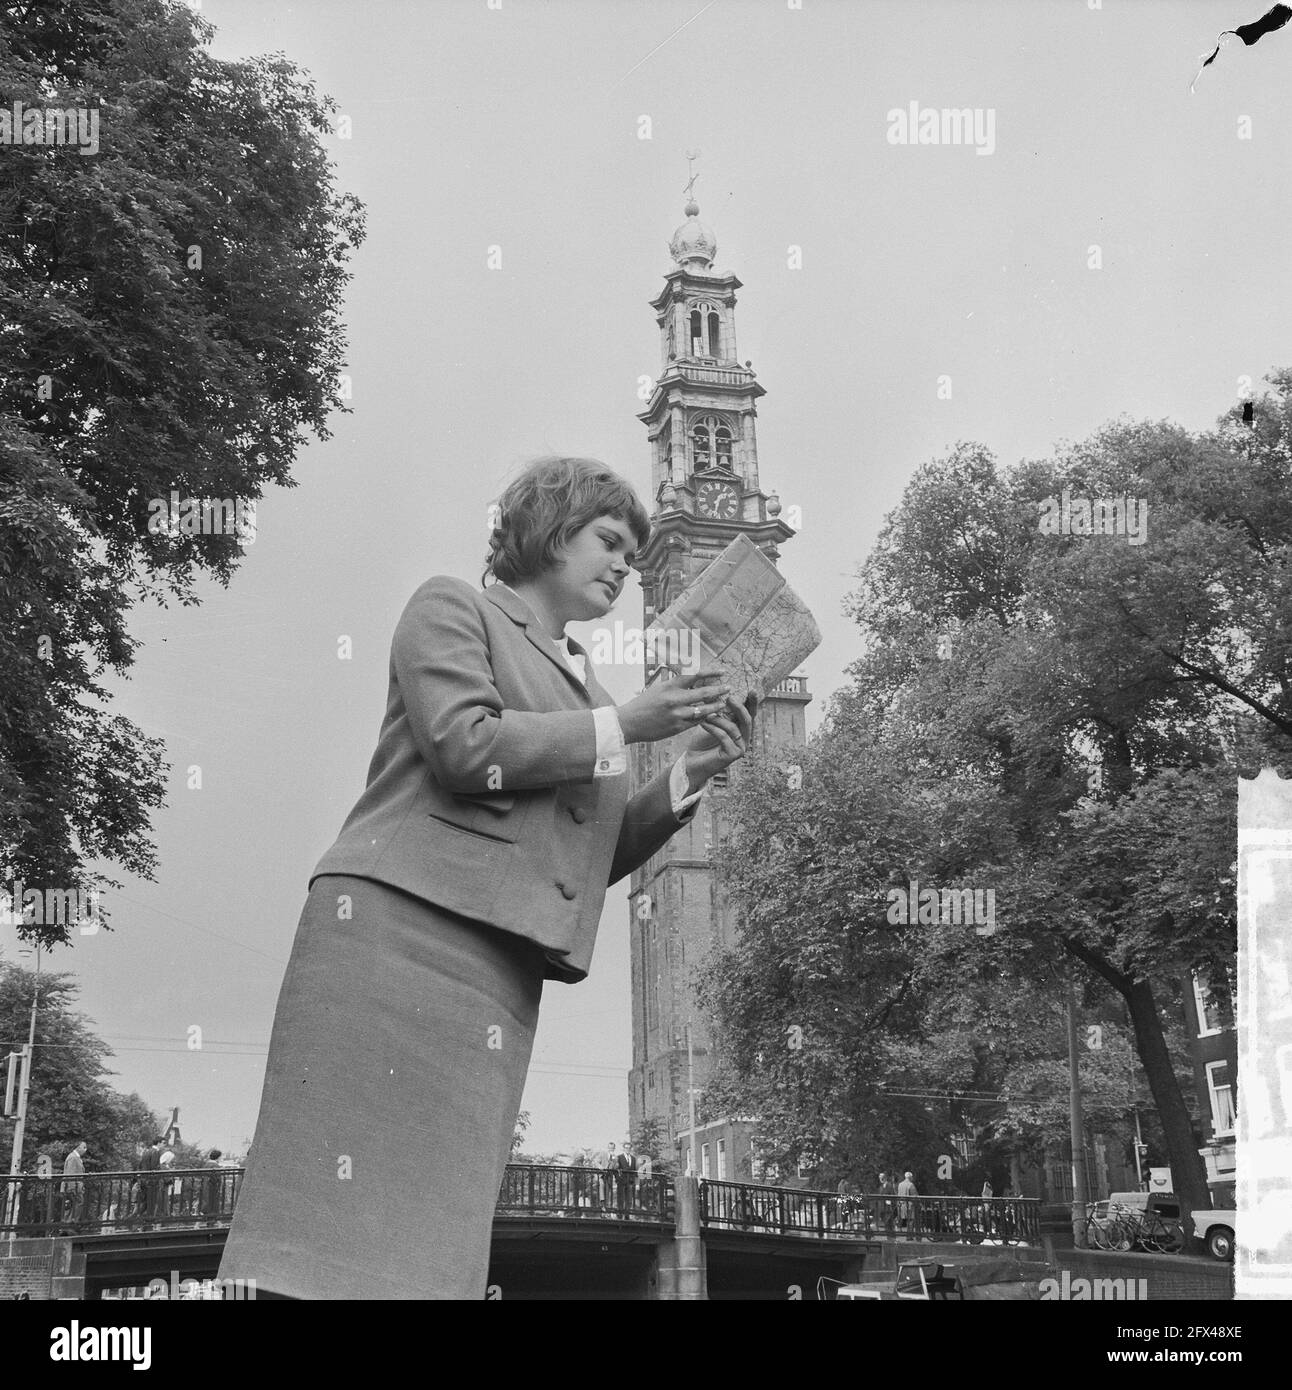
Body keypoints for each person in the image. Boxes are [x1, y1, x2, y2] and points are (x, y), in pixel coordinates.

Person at [217, 457, 752, 1299]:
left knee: (433, 1251)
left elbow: (579, 858)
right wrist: (622, 724)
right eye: (609, 541)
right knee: (327, 1239)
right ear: (549, 530)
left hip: (493, 969)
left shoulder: (587, 683)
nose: (624, 565)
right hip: (394, 935)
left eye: (633, 554)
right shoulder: (452, 607)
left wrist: (688, 771)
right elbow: (466, 747)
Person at [61, 1142, 87, 1224]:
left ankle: (69, 1225)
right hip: (73, 1187)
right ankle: (70, 1225)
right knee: (75, 1204)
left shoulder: (76, 1157)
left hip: (75, 1187)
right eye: (84, 1147)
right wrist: (73, 1189)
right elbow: (70, 1174)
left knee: (73, 1206)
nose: (85, 1150)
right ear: (78, 1148)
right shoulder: (73, 1158)